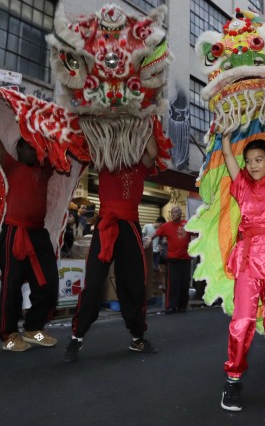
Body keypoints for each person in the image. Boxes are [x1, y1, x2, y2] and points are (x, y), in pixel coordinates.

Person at [220, 109, 265, 412]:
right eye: (249, 161)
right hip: (249, 259)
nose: (252, 165)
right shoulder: (242, 186)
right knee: (242, 321)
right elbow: (227, 156)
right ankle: (233, 380)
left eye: (259, 159)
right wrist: (225, 134)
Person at [63, 136, 160, 362]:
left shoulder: (139, 165)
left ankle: (138, 337)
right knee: (94, 282)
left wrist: (142, 119)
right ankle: (77, 337)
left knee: (134, 284)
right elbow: (89, 143)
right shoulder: (104, 161)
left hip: (131, 227)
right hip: (106, 225)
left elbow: (153, 152)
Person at [0, 137, 59, 352]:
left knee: (49, 282)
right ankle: (9, 334)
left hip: (38, 233)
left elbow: (62, 148)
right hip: (14, 231)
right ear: (19, 148)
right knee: (11, 285)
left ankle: (34, 329)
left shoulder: (45, 170)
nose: (34, 151)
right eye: (29, 146)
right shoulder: (10, 165)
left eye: (36, 147)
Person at [151, 207, 192, 314]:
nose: (173, 214)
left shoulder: (187, 224)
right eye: (172, 213)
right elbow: (156, 233)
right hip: (173, 259)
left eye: (176, 212)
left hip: (186, 258)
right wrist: (149, 239)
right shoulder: (166, 226)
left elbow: (199, 233)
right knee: (172, 284)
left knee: (184, 283)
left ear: (180, 213)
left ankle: (183, 306)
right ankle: (171, 306)